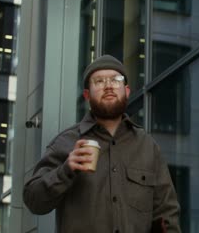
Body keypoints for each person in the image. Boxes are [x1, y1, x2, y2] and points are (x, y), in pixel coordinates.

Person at [23, 55, 181, 233]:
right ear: (87, 95)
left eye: (116, 80)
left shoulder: (147, 147)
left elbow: (166, 215)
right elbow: (33, 201)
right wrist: (65, 171)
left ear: (126, 91)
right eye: (99, 81)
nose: (108, 86)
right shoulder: (65, 143)